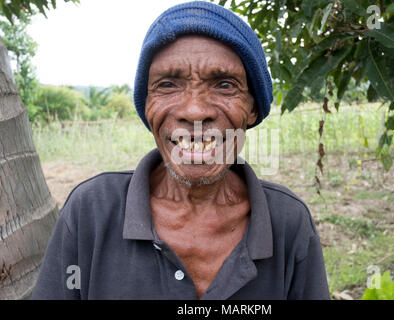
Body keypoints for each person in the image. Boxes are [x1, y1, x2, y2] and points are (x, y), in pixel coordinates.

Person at [32, 1, 329, 300]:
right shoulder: (91, 211)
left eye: (224, 84)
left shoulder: (288, 222)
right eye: (168, 84)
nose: (195, 110)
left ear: (252, 109)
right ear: (147, 106)